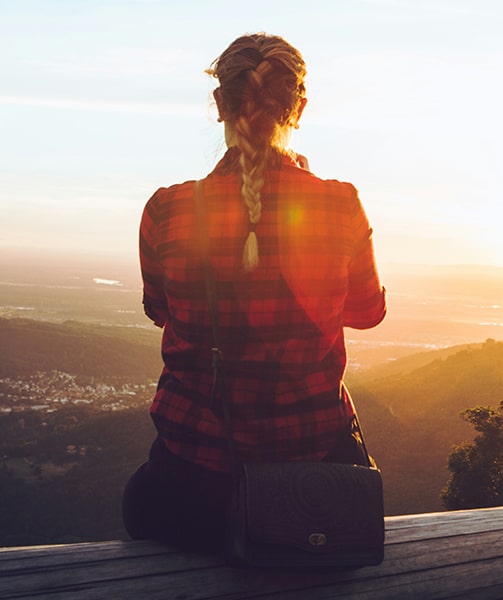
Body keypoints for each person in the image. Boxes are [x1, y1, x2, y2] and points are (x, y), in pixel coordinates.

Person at [122, 32, 387, 551]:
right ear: (299, 109)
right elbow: (367, 312)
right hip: (310, 477)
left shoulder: (167, 210)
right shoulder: (339, 206)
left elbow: (161, 311)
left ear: (220, 104)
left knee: (138, 507)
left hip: (190, 480)